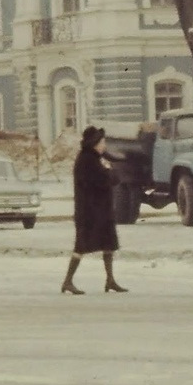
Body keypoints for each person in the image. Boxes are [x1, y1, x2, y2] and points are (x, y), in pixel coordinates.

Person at [61, 125, 126, 295]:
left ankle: (110, 280)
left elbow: (111, 177)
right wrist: (110, 172)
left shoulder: (95, 158)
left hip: (101, 211)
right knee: (81, 247)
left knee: (108, 244)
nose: (104, 145)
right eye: (102, 142)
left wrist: (110, 172)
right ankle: (68, 281)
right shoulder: (87, 160)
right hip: (89, 212)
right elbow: (104, 180)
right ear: (95, 144)